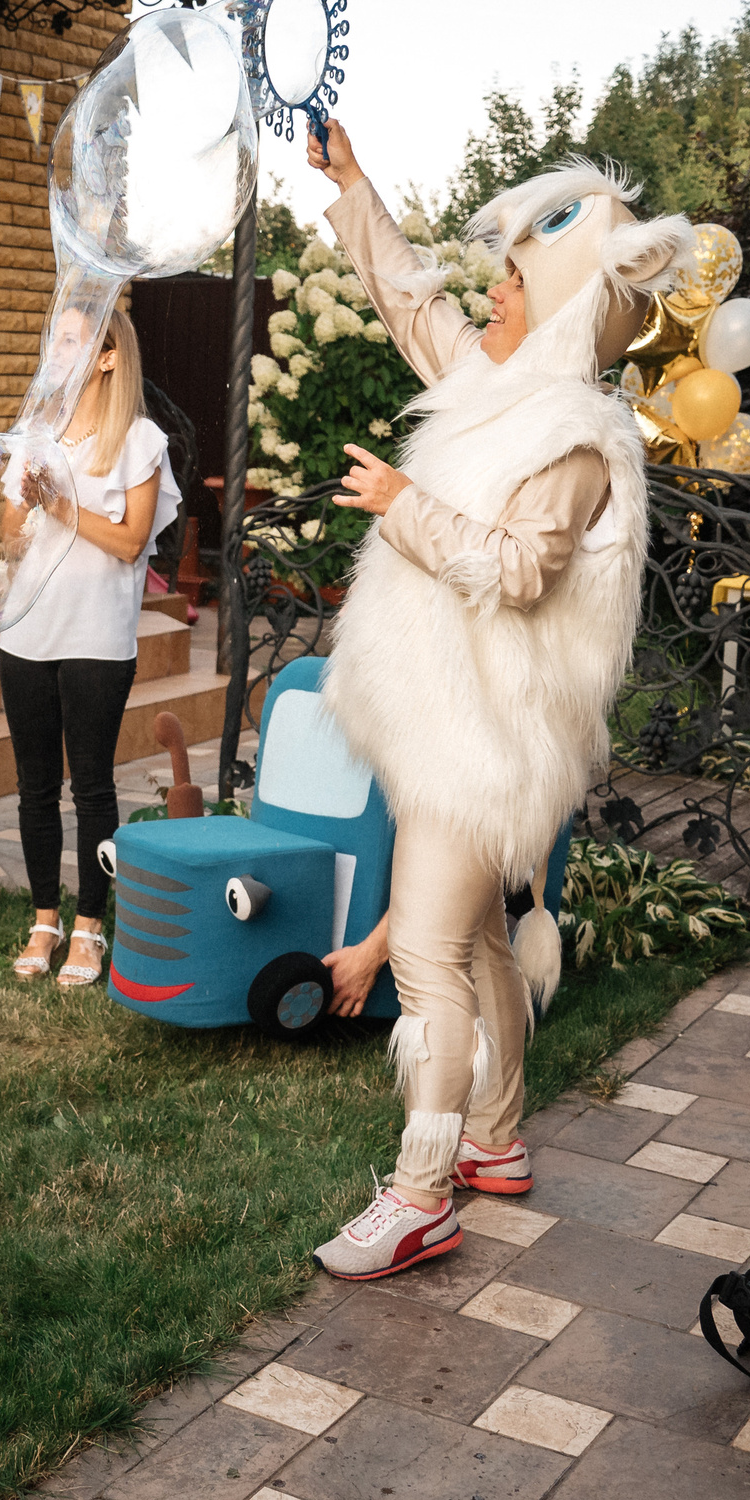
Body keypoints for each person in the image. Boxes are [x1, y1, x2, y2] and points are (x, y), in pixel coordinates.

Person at [304, 119, 691, 1280]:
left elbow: (521, 573)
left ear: (563, 308)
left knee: (422, 953)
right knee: (473, 941)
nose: (492, 294)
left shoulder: (577, 437)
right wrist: (356, 185)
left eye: (515, 281)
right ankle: (496, 1134)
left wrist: (398, 504)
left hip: (484, 743)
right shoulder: (490, 387)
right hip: (445, 719)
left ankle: (421, 1194)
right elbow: (410, 301)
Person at [0, 307, 177, 986]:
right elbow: (11, 536)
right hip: (27, 631)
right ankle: (46, 920)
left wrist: (64, 507)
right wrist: (25, 501)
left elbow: (131, 541)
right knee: (34, 788)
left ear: (107, 357)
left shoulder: (139, 439)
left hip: (98, 634)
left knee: (92, 784)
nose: (56, 347)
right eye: (55, 336)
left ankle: (91, 929)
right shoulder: (36, 434)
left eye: (71, 338)